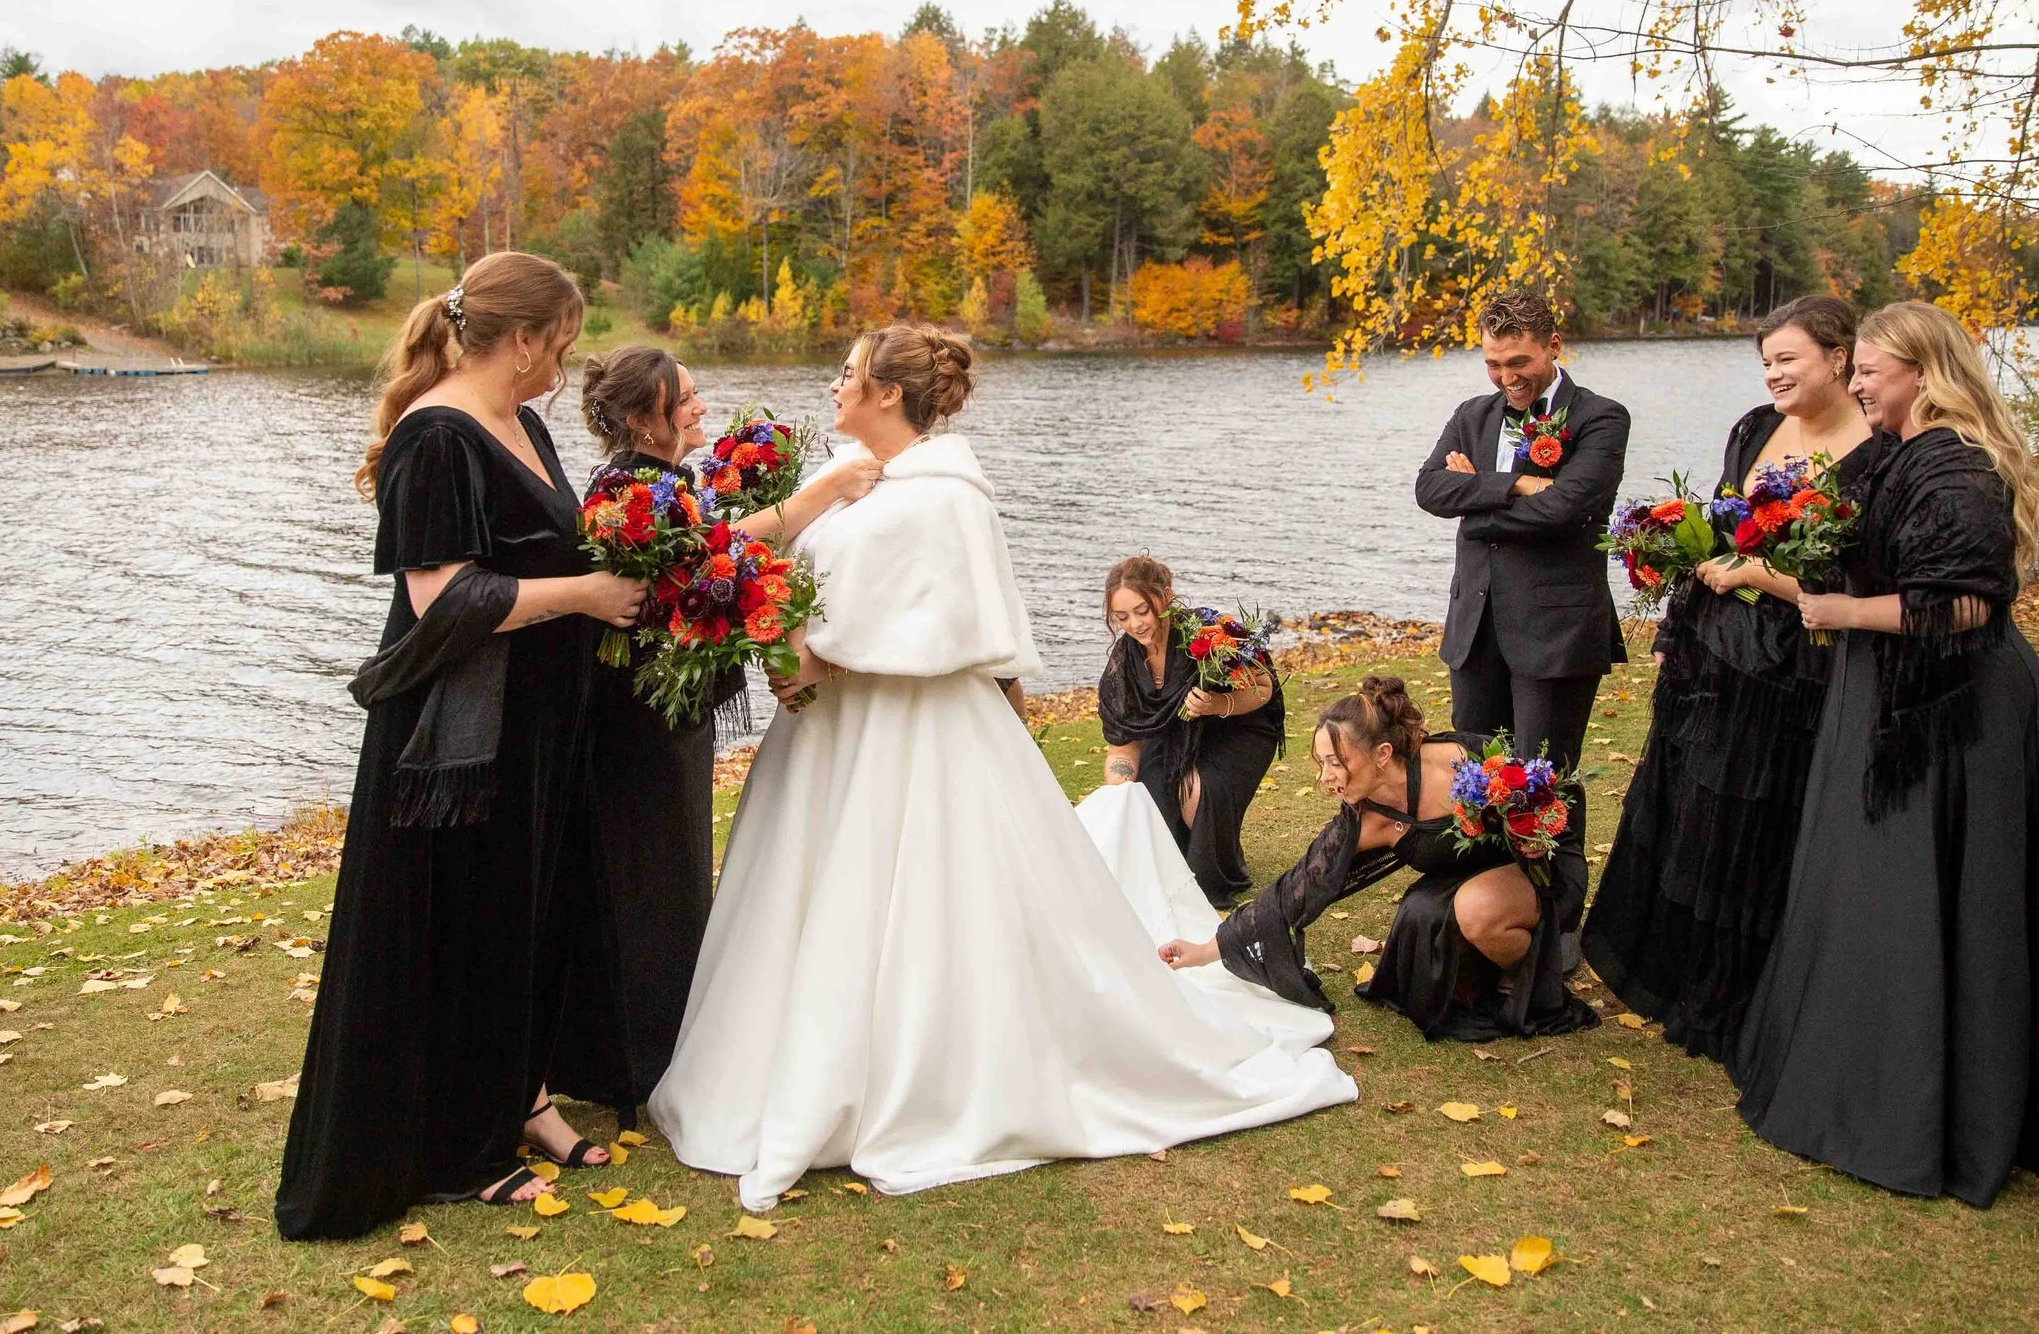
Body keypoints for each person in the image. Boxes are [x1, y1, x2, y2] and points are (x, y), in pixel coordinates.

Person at [649, 324, 1355, 1210]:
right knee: (812, 897)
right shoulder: (854, 481)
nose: (834, 387)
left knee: (929, 904)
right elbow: (797, 590)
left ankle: (930, 1077)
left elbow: (922, 629)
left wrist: (805, 644)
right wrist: (785, 633)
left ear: (889, 395)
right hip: (829, 739)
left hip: (910, 732)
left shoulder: (941, 496)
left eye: (848, 375)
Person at [276, 252, 646, 1241]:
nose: (565, 361)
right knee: (467, 924)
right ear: (522, 338)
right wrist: (587, 594)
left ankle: (518, 1097)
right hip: (459, 735)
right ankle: (452, 1147)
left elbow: (545, 548)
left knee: (527, 914)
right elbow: (442, 599)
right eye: (560, 340)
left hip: (539, 718)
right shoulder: (432, 437)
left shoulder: (519, 421)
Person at [1727, 301, 2039, 1207]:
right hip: (1891, 688)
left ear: (1924, 375)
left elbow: (1967, 604)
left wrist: (1845, 612)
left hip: (1950, 706)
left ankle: (1930, 1106)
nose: (1856, 384)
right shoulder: (1902, 451)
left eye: (1871, 372)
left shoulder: (1957, 466)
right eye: (1854, 371)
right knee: (1875, 891)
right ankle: (1868, 1070)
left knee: (1928, 897)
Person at [543, 347, 880, 1124]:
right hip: (633, 722)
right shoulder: (624, 487)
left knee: (677, 875)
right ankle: (637, 1063)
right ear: (640, 417)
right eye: (683, 398)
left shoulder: (669, 482)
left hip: (668, 716)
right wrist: (826, 486)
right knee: (645, 883)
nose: (699, 408)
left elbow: (716, 555)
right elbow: (711, 557)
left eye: (696, 395)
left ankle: (662, 1050)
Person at [1583, 296, 1898, 1061]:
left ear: (1838, 355)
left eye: (1787, 358)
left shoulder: (1881, 451)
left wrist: (1767, 574)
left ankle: (1739, 995)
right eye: (1765, 361)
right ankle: (1676, 973)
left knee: (1759, 822)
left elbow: (1864, 572)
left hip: (1798, 663)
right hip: (1713, 648)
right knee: (1691, 802)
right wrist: (1674, 626)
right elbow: (1719, 533)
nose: (1774, 373)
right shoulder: (1754, 430)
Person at [1160, 677, 1598, 1042]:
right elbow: (1296, 889)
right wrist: (1206, 950)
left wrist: (1536, 834)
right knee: (1420, 912)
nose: (1325, 777)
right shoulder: (1367, 820)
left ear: (1382, 755)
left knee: (1473, 909)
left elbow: (1554, 789)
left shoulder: (1459, 766)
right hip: (1472, 877)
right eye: (1322, 763)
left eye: (1336, 762)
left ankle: (1534, 973)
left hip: (1543, 866)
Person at [1413, 290, 1626, 972]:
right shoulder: (1471, 415)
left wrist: (1479, 497)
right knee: (1478, 770)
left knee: (1547, 778)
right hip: (1476, 627)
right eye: (1495, 362)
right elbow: (1428, 490)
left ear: (1553, 344)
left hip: (1557, 630)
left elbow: (1569, 509)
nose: (1508, 376)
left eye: (1521, 361)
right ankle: (1483, 901)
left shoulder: (1599, 418)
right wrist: (1518, 486)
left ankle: (1559, 925)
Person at [1095, 555, 1284, 905]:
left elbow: (1262, 687)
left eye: (1142, 611)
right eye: (1121, 618)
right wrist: (1121, 792)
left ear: (1165, 596)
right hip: (1173, 734)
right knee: (1148, 799)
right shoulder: (1123, 664)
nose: (1135, 625)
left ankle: (1215, 871)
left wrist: (1215, 704)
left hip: (1235, 727)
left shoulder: (1209, 632)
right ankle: (1180, 862)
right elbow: (1123, 747)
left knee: (1195, 790)